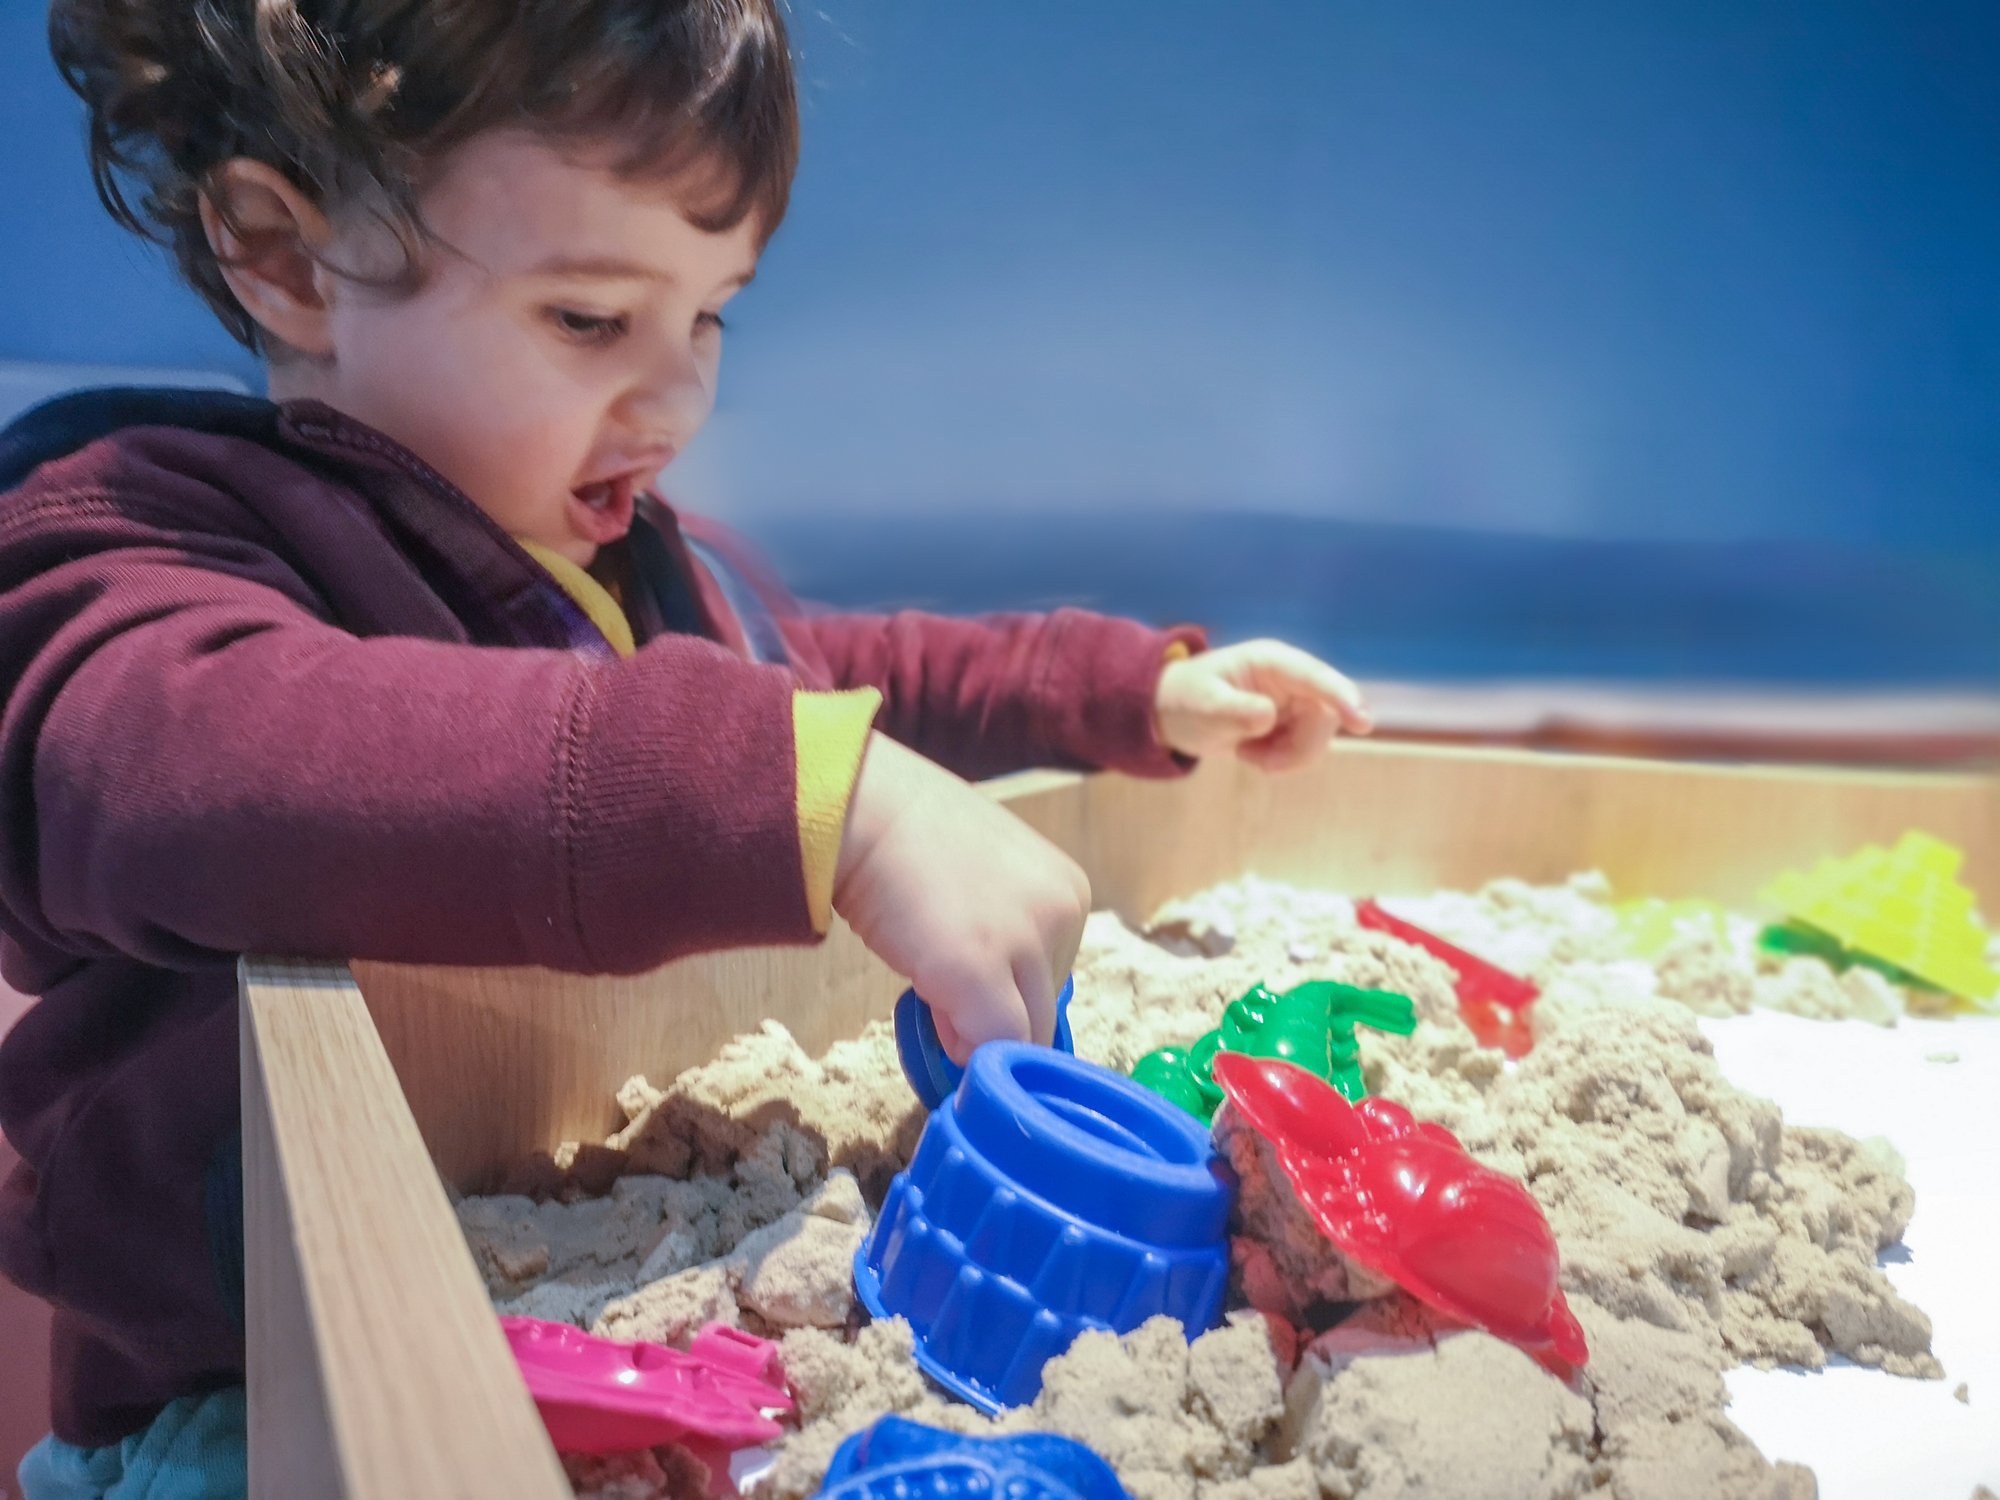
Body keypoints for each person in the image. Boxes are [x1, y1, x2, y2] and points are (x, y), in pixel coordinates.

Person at [0, 1, 1370, 1493]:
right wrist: (810, 797)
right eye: (590, 317)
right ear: (286, 255)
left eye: (708, 313)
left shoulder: (650, 570)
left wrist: (1118, 693)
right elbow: (199, 773)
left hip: (579, 1305)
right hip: (250, 1384)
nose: (679, 396)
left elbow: (853, 674)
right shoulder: (138, 542)